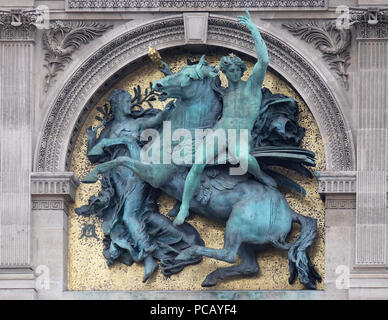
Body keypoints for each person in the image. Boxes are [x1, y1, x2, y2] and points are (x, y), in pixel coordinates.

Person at [173, 9, 277, 226]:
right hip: (220, 130)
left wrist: (253, 30)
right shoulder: (223, 92)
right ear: (225, 73)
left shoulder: (252, 86)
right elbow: (195, 81)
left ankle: (261, 177)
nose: (233, 74)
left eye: (236, 69)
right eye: (228, 71)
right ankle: (184, 206)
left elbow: (264, 60)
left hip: (240, 133)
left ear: (241, 70)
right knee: (197, 164)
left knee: (243, 158)